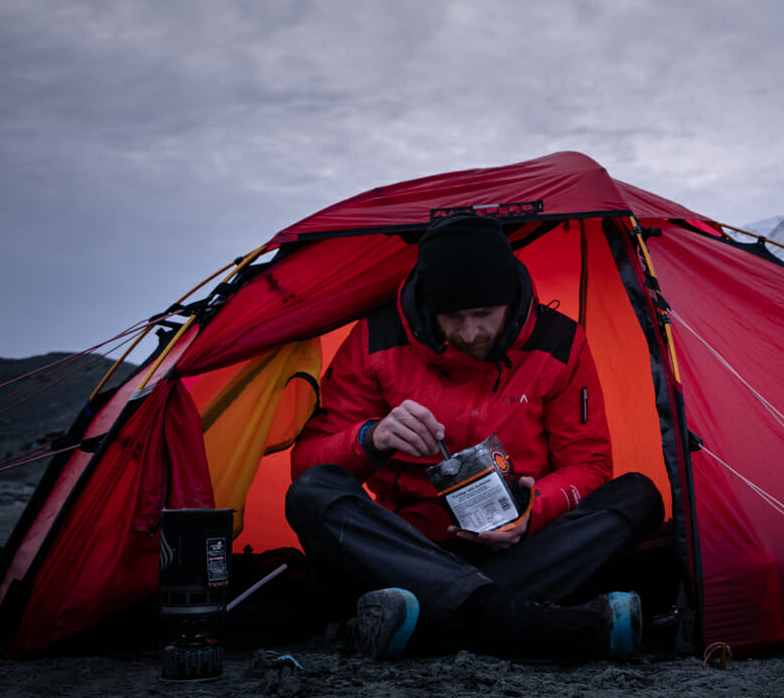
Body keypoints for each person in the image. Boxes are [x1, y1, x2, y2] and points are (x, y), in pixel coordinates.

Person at [285, 218, 664, 661]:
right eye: (454, 318)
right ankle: (523, 621)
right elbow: (308, 466)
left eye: (483, 315)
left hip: (520, 548)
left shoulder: (559, 343)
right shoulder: (376, 338)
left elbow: (591, 466)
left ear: (509, 300)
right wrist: (372, 437)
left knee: (639, 496)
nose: (469, 335)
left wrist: (531, 511)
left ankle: (428, 624)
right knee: (311, 493)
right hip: (407, 549)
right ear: (430, 306)